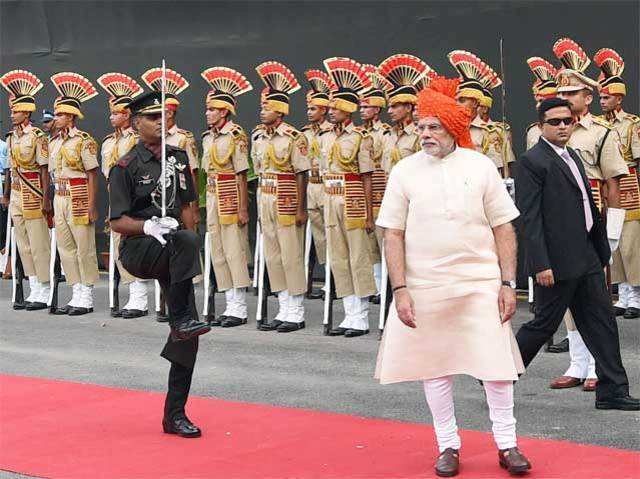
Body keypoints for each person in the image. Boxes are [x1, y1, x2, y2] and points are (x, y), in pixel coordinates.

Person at [375, 77, 530, 477]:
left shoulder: (480, 166)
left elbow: (503, 228)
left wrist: (508, 283)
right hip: (425, 284)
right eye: (421, 126)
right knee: (435, 367)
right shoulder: (404, 171)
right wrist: (400, 289)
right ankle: (447, 445)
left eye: (433, 127)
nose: (425, 133)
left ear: (453, 128)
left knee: (495, 367)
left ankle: (507, 444)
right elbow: (393, 233)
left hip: (480, 281)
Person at [515, 97, 639, 412]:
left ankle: (612, 390)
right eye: (554, 122)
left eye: (567, 121)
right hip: (555, 263)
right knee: (543, 325)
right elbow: (529, 218)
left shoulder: (571, 154)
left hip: (586, 255)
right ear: (541, 125)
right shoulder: (532, 161)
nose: (562, 127)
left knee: (602, 323)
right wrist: (540, 263)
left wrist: (600, 248)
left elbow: (586, 202)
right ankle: (499, 376)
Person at [109, 91, 211, 438]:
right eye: (152, 117)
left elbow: (187, 208)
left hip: (175, 250)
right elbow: (116, 222)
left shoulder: (179, 158)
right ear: (137, 123)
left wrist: (190, 244)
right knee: (186, 319)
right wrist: (148, 226)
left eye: (163, 115)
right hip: (139, 249)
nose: (160, 121)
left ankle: (175, 414)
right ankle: (179, 317)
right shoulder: (125, 166)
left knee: (189, 338)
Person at [547, 38, 629, 392]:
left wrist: (610, 229)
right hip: (561, 223)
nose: (565, 98)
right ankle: (578, 363)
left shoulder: (601, 132)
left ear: (588, 97)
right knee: (567, 295)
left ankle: (598, 364)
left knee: (596, 296)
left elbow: (613, 182)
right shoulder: (543, 130)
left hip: (592, 220)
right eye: (561, 93)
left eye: (573, 93)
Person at [252, 61, 310, 333]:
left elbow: (301, 173)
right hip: (265, 196)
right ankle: (283, 306)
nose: (262, 111)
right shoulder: (258, 137)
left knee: (290, 254)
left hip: (286, 197)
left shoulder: (294, 137)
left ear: (281, 111)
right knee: (272, 255)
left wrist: (301, 208)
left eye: (267, 107)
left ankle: (296, 312)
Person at [321, 56, 376, 337]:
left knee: (358, 257)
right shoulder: (325, 137)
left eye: (335, 107)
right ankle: (349, 313)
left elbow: (366, 176)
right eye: (329, 107)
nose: (330, 111)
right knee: (339, 258)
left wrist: (367, 212)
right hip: (329, 199)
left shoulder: (360, 137)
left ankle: (362, 316)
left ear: (348, 110)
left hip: (352, 198)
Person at [200, 66, 253, 327]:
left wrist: (243, 207)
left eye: (212, 109)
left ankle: (239, 307)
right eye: (207, 109)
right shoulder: (207, 137)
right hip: (212, 194)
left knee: (234, 249)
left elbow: (242, 173)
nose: (207, 113)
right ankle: (229, 302)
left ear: (224, 111)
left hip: (230, 193)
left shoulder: (236, 135)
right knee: (218, 251)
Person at [48, 72, 100, 315]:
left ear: (70, 116)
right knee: (65, 246)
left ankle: (87, 294)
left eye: (59, 114)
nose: (55, 118)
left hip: (78, 194)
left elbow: (92, 173)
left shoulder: (83, 141)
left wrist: (91, 205)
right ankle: (75, 289)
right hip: (59, 196)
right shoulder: (54, 142)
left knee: (83, 245)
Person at [594, 48, 640, 320]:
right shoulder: (599, 126)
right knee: (614, 242)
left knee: (632, 244)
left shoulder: (633, 124)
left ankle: (636, 296)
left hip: (630, 186)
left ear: (619, 98)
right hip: (608, 188)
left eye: (606, 97)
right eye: (600, 97)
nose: (602, 101)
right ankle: (622, 296)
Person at [97, 72, 147, 318]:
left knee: (135, 245)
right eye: (111, 112)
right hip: (115, 199)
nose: (112, 116)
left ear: (127, 115)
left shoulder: (138, 139)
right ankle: (132, 293)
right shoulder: (107, 143)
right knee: (118, 248)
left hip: (134, 199)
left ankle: (140, 298)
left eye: (116, 112)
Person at [1, 70, 52, 309]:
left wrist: (45, 198)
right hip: (17, 194)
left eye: (16, 111)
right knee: (22, 243)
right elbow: (11, 168)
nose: (12, 115)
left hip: (33, 192)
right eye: (12, 111)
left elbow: (43, 168)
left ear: (27, 113)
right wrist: (6, 194)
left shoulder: (38, 136)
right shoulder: (11, 137)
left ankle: (44, 287)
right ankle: (33, 287)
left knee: (38, 241)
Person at [141, 67, 200, 228]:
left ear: (170, 114)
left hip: (179, 199)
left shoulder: (183, 138)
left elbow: (192, 174)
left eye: (161, 113)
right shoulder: (152, 137)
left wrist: (194, 208)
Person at [448, 50, 513, 177]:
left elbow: (497, 173)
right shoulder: (449, 130)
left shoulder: (491, 132)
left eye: (462, 100)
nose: (457, 104)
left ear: (476, 103)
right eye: (455, 100)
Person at [359, 64, 391, 302]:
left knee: (384, 242)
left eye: (367, 106)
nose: (362, 110)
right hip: (363, 195)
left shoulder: (386, 133)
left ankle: (388, 286)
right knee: (369, 246)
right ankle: (376, 285)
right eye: (360, 106)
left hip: (382, 191)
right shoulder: (359, 133)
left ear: (378, 108)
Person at [302, 69, 334, 300]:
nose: (309, 111)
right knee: (319, 236)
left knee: (333, 233)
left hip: (327, 185)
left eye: (313, 108)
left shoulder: (331, 133)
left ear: (324, 110)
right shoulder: (305, 133)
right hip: (310, 186)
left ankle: (334, 279)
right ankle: (328, 274)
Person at [378, 53, 429, 174]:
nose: (390, 111)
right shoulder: (387, 135)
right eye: (389, 107)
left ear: (408, 107)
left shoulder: (420, 135)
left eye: (395, 107)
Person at [525, 57, 558, 150]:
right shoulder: (533, 132)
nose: (537, 106)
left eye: (541, 101)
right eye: (537, 101)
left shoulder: (567, 128)